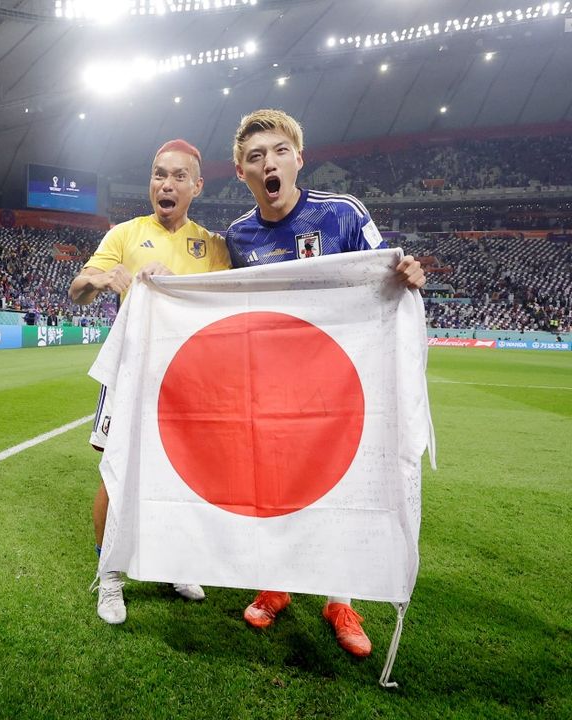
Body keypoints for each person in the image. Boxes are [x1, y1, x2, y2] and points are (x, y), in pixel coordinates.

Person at [225, 108, 425, 658]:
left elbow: (388, 269)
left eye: (279, 151)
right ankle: (277, 583)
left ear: (298, 158)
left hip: (342, 385)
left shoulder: (341, 213)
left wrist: (410, 272)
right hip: (274, 389)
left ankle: (341, 601)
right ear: (240, 170)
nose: (269, 162)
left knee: (343, 488)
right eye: (256, 156)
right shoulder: (238, 236)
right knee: (276, 491)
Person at [68, 139, 232, 625]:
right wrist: (104, 278)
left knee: (182, 474)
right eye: (160, 174)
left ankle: (172, 563)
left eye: (180, 176)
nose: (167, 183)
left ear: (197, 186)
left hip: (187, 380)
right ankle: (111, 574)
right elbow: (77, 289)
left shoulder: (214, 246)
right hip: (130, 373)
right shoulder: (124, 234)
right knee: (116, 474)